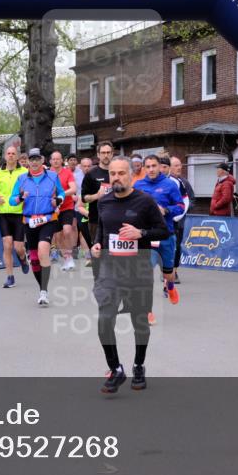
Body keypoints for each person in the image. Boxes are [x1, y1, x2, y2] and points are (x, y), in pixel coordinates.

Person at [90, 157, 170, 394]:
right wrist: (96, 245)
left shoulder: (145, 201)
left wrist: (141, 232)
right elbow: (102, 230)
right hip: (110, 270)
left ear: (131, 175)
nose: (116, 177)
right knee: (105, 320)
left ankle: (138, 365)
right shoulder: (103, 202)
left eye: (121, 173)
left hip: (138, 270)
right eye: (112, 173)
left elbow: (164, 231)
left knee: (140, 322)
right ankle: (115, 369)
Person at [9, 149, 65, 306]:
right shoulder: (21, 179)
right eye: (31, 159)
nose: (34, 162)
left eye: (36, 159)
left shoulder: (52, 176)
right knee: (34, 259)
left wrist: (58, 200)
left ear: (42, 160)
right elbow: (12, 201)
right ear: (27, 161)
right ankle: (41, 288)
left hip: (47, 219)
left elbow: (61, 193)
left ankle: (44, 291)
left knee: (42, 252)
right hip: (29, 222)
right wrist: (20, 197)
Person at [134, 156, 184, 311]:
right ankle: (146, 311)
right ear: (144, 168)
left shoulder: (170, 184)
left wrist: (166, 210)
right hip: (147, 236)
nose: (151, 169)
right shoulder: (138, 185)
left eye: (153, 166)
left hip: (166, 235)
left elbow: (181, 206)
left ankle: (169, 286)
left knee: (167, 273)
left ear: (160, 167)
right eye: (147, 166)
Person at [0, 145, 29, 288]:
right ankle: (10, 277)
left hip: (19, 213)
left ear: (17, 156)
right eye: (9, 153)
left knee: (18, 247)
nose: (11, 156)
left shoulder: (25, 172)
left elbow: (30, 189)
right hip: (4, 213)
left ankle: (23, 258)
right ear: (5, 156)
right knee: (7, 244)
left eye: (13, 153)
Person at [81, 142, 115, 278]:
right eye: (103, 153)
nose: (106, 155)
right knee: (97, 250)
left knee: (114, 252)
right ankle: (99, 281)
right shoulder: (91, 174)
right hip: (96, 219)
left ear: (112, 154)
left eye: (108, 152)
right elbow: (83, 198)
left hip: (116, 219)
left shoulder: (118, 172)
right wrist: (97, 196)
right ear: (98, 155)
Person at [48, 150, 78, 272]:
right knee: (58, 235)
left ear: (62, 160)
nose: (56, 161)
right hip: (53, 208)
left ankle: (69, 256)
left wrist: (61, 195)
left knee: (67, 230)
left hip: (67, 207)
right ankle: (66, 257)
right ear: (50, 161)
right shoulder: (47, 174)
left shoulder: (67, 173)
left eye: (58, 158)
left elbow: (73, 188)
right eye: (53, 159)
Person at [169, 157, 194, 282]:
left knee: (177, 246)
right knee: (167, 246)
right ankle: (166, 270)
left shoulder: (184, 183)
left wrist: (183, 211)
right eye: (176, 165)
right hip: (167, 222)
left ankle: (175, 272)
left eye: (180, 165)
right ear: (169, 167)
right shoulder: (166, 182)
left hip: (180, 221)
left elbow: (191, 199)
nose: (179, 168)